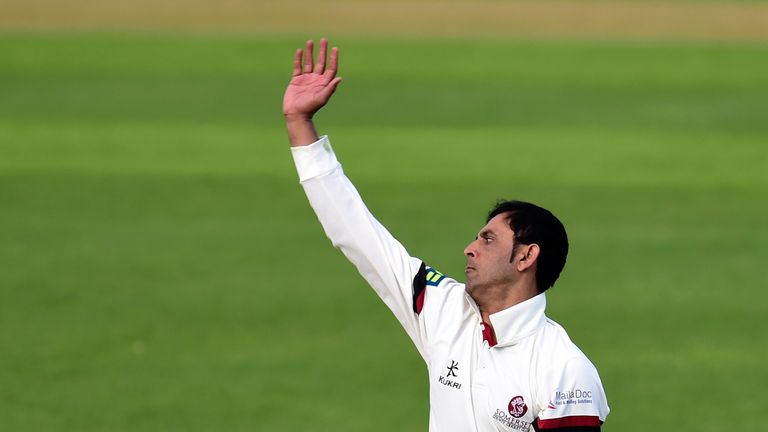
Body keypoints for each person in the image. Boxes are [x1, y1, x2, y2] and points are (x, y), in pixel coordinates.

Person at [282, 38, 610, 432]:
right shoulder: (440, 309)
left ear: (526, 257)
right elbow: (355, 232)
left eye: (489, 239)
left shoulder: (564, 370)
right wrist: (300, 125)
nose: (470, 249)